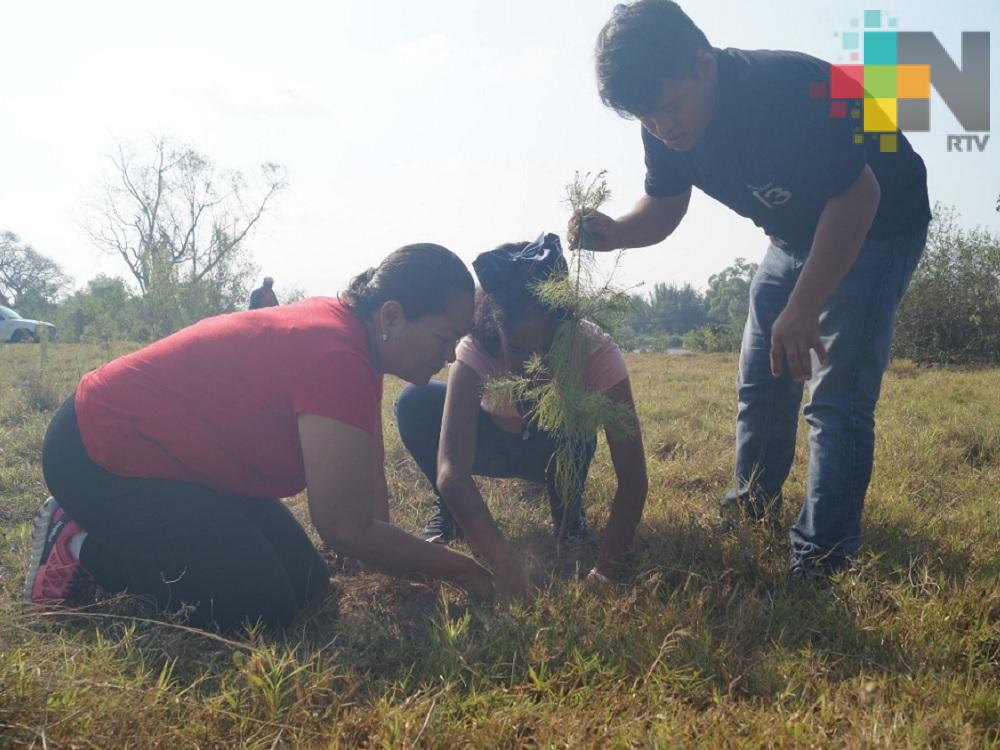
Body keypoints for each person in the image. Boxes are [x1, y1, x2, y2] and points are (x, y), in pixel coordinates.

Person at [571, 0, 931, 580]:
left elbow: (859, 197)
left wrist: (805, 304)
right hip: (793, 233)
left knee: (836, 394)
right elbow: (664, 207)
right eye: (646, 117)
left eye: (669, 108)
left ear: (703, 66)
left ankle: (824, 555)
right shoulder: (664, 121)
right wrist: (615, 233)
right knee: (762, 379)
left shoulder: (786, 92)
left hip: (876, 224)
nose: (664, 127)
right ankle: (751, 509)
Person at [24, 243, 493, 631]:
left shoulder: (357, 343)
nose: (451, 356)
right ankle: (80, 542)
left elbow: (366, 500)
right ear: (391, 317)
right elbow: (344, 529)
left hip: (185, 465)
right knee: (259, 606)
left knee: (308, 586)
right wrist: (461, 569)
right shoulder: (336, 354)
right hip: (98, 453)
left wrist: (393, 561)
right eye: (443, 337)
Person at [395, 233, 648, 599]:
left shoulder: (595, 350)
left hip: (555, 451)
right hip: (495, 443)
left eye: (547, 348)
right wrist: (502, 557)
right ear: (493, 329)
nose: (534, 363)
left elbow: (633, 477)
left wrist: (606, 570)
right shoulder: (477, 346)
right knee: (414, 402)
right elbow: (452, 471)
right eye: (517, 349)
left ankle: (568, 517)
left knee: (575, 414)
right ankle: (449, 516)